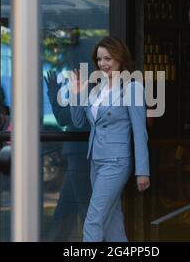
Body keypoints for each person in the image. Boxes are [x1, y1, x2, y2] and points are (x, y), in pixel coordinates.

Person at [69, 36, 150, 242]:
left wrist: (142, 171)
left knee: (93, 219)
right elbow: (78, 122)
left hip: (116, 162)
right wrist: (76, 94)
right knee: (112, 220)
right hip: (96, 161)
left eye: (108, 59)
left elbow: (139, 132)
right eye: (99, 59)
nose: (102, 64)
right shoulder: (96, 89)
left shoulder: (132, 88)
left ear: (120, 59)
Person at [44, 70, 91, 241]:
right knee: (65, 211)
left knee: (83, 210)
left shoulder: (85, 88)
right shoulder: (84, 87)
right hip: (78, 154)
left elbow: (64, 118)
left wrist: (54, 92)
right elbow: (65, 118)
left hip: (81, 155)